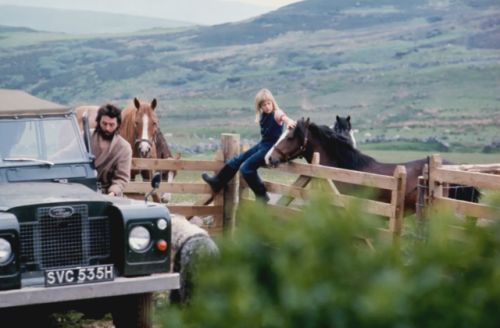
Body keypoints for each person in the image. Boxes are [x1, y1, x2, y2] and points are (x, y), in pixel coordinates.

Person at [202, 89, 296, 203]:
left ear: (272, 102)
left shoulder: (276, 113)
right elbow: (263, 135)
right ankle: (217, 182)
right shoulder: (263, 117)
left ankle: (262, 196)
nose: (267, 107)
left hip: (270, 149)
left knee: (246, 168)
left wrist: (289, 121)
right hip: (262, 145)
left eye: (269, 103)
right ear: (260, 106)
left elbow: (282, 116)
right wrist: (258, 146)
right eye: (264, 105)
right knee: (236, 160)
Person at [91, 103, 133, 197]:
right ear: (98, 121)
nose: (107, 128)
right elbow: (67, 154)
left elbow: (121, 178)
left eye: (111, 125)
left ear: (118, 124)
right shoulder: (85, 137)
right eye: (104, 124)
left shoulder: (124, 148)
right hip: (86, 191)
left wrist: (112, 193)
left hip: (110, 195)